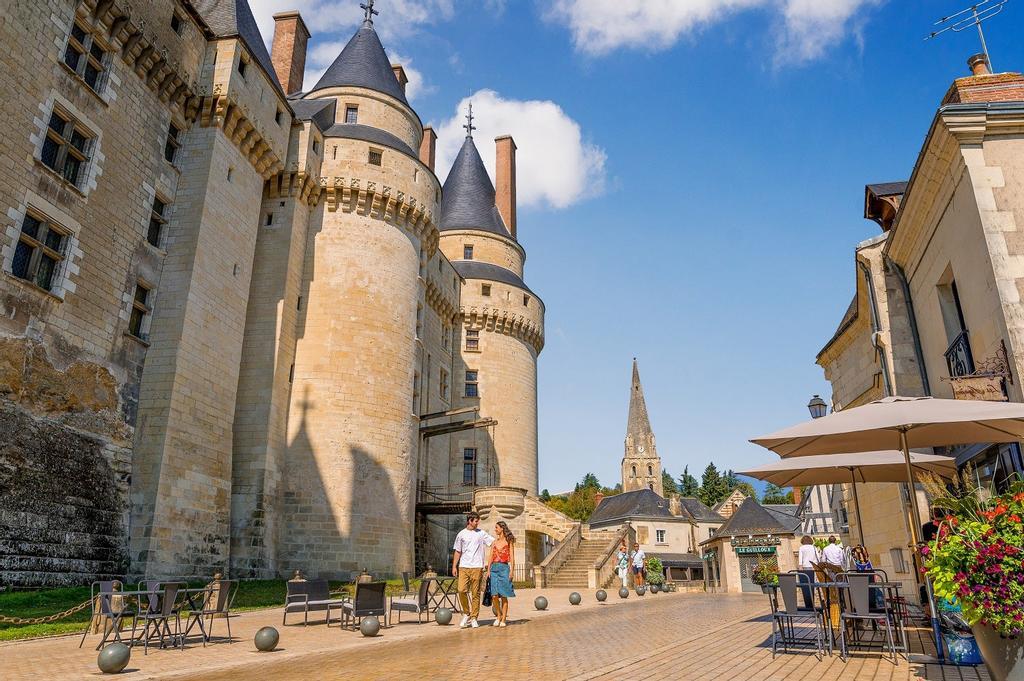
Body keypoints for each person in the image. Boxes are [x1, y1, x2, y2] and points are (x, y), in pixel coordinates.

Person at [452, 511, 494, 629]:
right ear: (470, 521)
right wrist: (454, 566)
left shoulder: (481, 534)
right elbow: (457, 551)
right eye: (476, 521)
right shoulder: (461, 534)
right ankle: (466, 613)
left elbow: (493, 542)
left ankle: (474, 617)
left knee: (475, 593)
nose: (478, 523)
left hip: (477, 567)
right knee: (461, 590)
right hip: (464, 566)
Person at [488, 521, 516, 627]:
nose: (495, 529)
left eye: (496, 527)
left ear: (502, 529)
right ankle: (498, 615)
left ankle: (503, 619)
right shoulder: (494, 542)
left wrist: (512, 571)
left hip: (504, 568)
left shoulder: (509, 541)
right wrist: (488, 570)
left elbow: (512, 557)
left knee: (504, 595)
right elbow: (490, 556)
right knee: (494, 595)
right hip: (494, 568)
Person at [851, 544, 884, 610]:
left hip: (865, 583)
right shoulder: (865, 561)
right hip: (866, 583)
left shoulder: (857, 563)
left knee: (871, 597)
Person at [797, 535, 820, 608]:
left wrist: (800, 567)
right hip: (814, 567)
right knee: (813, 583)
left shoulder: (801, 548)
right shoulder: (814, 547)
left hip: (805, 567)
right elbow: (818, 557)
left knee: (806, 585)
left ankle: (808, 603)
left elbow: (800, 558)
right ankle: (815, 599)